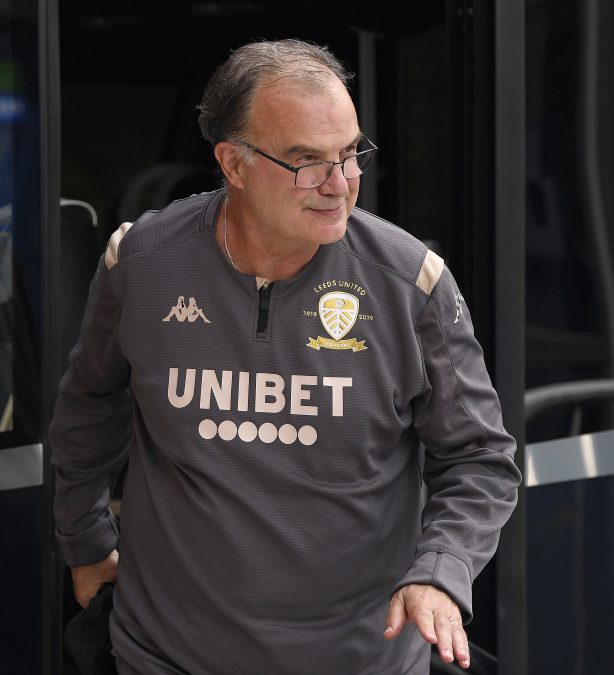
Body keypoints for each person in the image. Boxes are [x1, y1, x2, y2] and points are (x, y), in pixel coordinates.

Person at [50, 38, 521, 675]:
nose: (341, 184)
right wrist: (85, 542)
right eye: (308, 161)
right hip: (164, 658)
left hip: (359, 661)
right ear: (233, 163)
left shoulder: (411, 283)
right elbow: (89, 405)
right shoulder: (141, 264)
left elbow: (480, 458)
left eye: (352, 155)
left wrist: (440, 571)